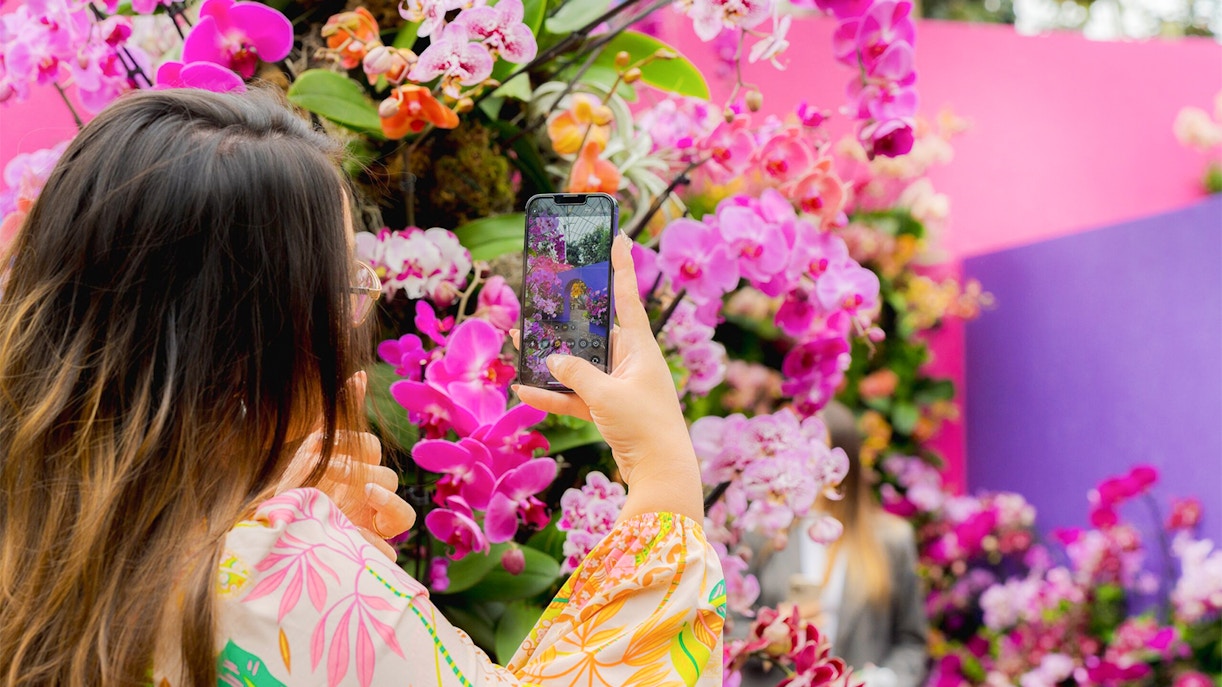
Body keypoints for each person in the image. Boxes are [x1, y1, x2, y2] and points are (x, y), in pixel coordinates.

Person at [0, 89, 723, 687]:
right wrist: (664, 476)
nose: (357, 315)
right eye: (344, 286)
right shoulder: (283, 573)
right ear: (253, 340)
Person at [743, 402, 928, 687]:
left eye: (814, 450)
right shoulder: (760, 532)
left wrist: (883, 681)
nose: (801, 461)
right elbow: (723, 628)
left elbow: (911, 642)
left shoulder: (891, 540)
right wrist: (765, 635)